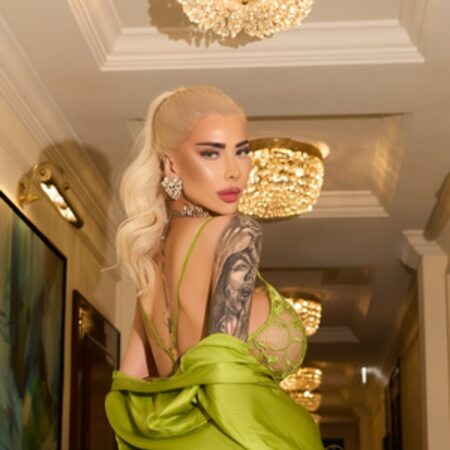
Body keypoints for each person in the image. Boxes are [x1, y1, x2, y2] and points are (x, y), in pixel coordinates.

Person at [105, 85, 324, 449]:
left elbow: (132, 384)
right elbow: (225, 372)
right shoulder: (236, 233)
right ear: (171, 165)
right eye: (211, 153)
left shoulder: (151, 256)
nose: (234, 171)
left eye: (242, 151)